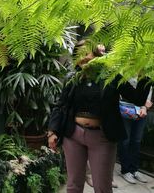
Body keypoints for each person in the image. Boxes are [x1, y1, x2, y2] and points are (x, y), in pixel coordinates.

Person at [47, 41, 150, 193]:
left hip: (102, 137)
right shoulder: (73, 77)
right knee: (73, 185)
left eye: (86, 53)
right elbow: (61, 105)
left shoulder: (111, 76)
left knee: (102, 187)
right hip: (73, 135)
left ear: (96, 55)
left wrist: (144, 75)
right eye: (78, 55)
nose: (82, 58)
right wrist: (52, 131)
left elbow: (137, 98)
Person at [118, 78, 152, 184]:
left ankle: (134, 169)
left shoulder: (148, 74)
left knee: (136, 140)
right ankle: (125, 170)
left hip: (142, 110)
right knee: (125, 140)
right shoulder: (126, 72)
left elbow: (149, 92)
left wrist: (145, 107)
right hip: (126, 109)